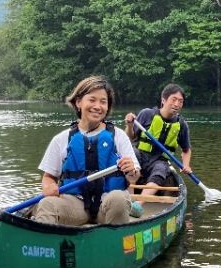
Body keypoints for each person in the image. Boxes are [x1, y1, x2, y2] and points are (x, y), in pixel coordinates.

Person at [33, 76, 141, 226]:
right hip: (74, 203)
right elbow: (48, 177)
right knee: (46, 204)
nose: (98, 106)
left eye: (103, 102)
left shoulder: (119, 136)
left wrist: (131, 171)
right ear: (78, 102)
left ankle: (112, 244)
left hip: (107, 204)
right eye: (92, 100)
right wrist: (48, 186)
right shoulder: (61, 139)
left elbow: (134, 178)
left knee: (119, 199)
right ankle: (47, 245)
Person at [124, 84, 192, 196]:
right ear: (163, 100)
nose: (177, 104)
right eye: (173, 99)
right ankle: (128, 198)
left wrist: (186, 165)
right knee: (129, 160)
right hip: (139, 155)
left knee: (161, 169)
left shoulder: (181, 124)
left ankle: (139, 204)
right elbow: (130, 137)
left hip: (159, 160)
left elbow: (186, 149)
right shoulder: (146, 114)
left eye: (180, 101)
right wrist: (130, 125)